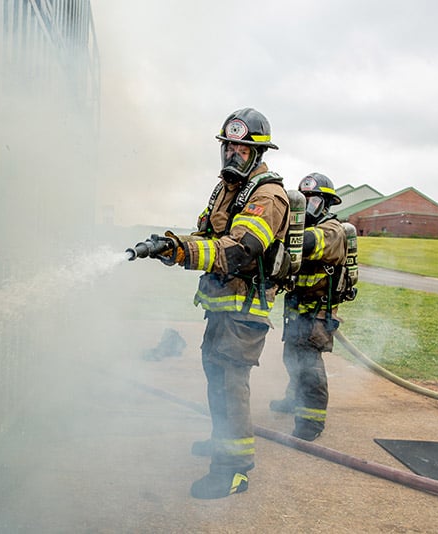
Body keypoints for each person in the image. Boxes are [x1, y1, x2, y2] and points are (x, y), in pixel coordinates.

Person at [146, 108, 290, 499]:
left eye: (241, 149)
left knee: (229, 386)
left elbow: (242, 249)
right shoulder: (228, 188)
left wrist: (185, 253)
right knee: (218, 380)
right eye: (227, 146)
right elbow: (208, 234)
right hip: (223, 306)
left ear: (258, 153)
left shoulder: (268, 195)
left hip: (244, 311)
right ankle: (221, 442)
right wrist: (172, 245)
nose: (231, 154)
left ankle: (232, 471)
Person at [269, 172, 348, 441]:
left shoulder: (332, 230)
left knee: (309, 367)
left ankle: (311, 422)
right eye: (304, 202)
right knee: (292, 358)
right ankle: (293, 400)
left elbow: (309, 244)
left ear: (326, 205)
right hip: (298, 310)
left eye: (314, 202)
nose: (309, 207)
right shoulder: (298, 232)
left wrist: (279, 235)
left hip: (318, 314)